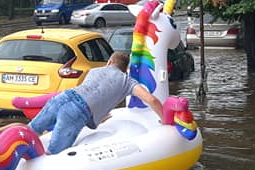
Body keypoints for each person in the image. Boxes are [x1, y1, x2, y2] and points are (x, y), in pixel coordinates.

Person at [28, 51, 165, 154]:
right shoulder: (127, 82)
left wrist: (98, 116)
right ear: (125, 69)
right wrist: (164, 119)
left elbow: (90, 93)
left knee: (30, 131)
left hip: (63, 97)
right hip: (76, 112)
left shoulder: (94, 71)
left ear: (110, 62)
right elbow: (151, 99)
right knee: (54, 154)